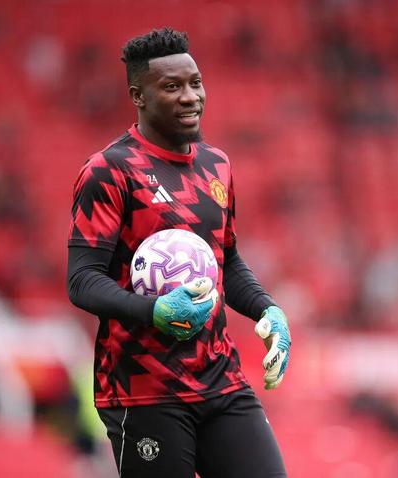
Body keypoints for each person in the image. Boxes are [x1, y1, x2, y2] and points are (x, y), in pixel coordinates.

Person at [66, 27, 291, 477]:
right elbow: (82, 280)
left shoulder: (217, 165)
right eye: (172, 86)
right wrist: (155, 311)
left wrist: (267, 309)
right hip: (145, 390)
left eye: (195, 83)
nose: (191, 97)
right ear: (138, 96)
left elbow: (227, 260)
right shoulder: (109, 171)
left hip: (221, 380)